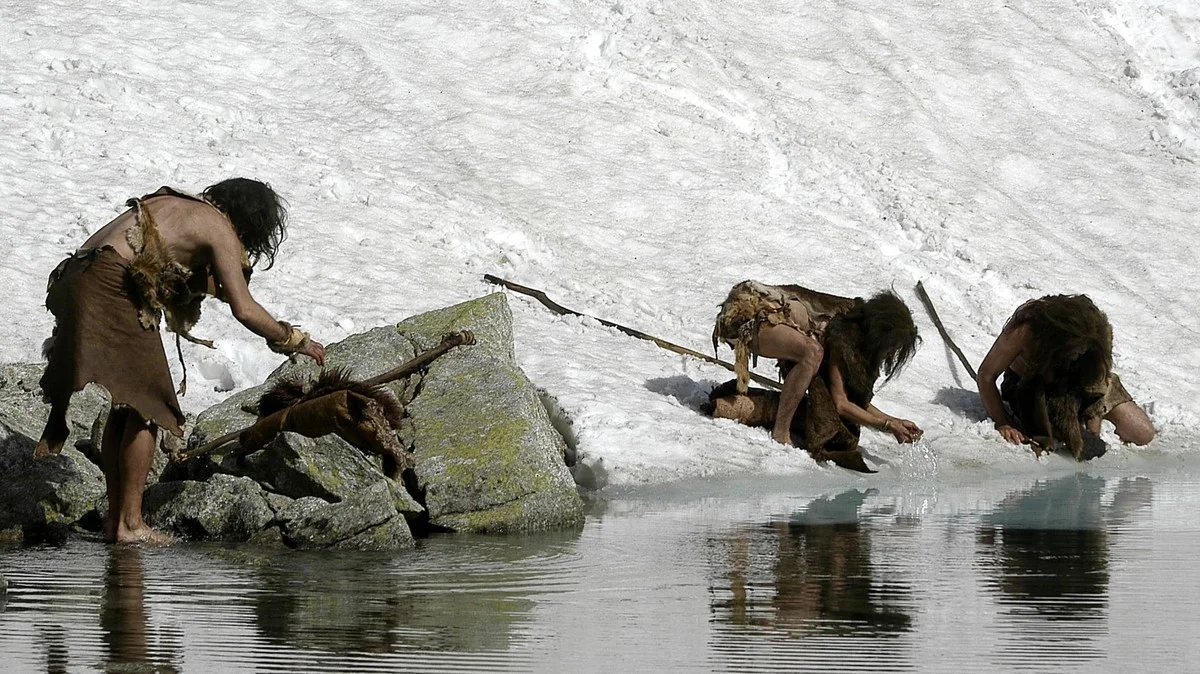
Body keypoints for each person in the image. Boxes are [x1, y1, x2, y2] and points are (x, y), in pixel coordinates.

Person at [35, 178, 326, 544]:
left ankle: (116, 523)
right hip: (110, 281)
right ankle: (130, 524)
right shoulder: (218, 226)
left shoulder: (175, 204)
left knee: (127, 405)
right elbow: (244, 308)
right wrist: (293, 340)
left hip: (76, 274)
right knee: (151, 405)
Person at [711, 280, 923, 447]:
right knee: (811, 352)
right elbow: (841, 404)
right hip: (743, 314)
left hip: (754, 306)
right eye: (892, 348)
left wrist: (893, 421)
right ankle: (781, 432)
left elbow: (852, 400)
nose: (890, 355)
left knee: (811, 352)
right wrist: (886, 425)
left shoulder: (854, 333)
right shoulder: (845, 335)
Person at [977, 294, 1155, 457]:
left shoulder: (1097, 337)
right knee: (1059, 440)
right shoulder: (1026, 329)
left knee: (1142, 433)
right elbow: (986, 375)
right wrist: (1002, 422)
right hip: (1033, 389)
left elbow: (1098, 384)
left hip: (1082, 386)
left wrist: (1093, 429)